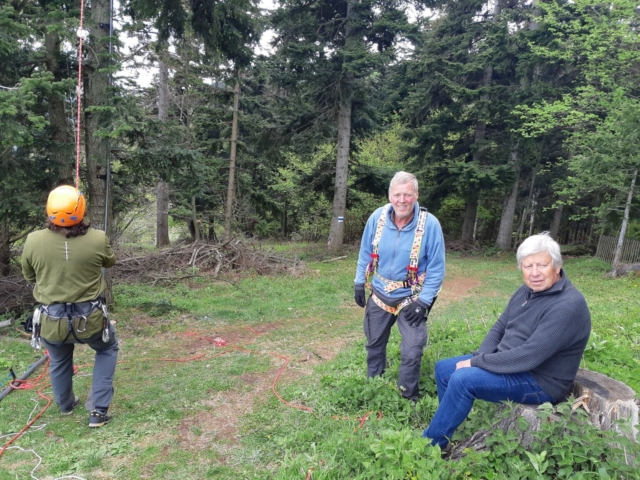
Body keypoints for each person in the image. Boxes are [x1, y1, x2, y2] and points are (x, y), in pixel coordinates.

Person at [423, 232, 591, 450]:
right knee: (444, 369)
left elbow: (530, 355)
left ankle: (430, 446)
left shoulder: (567, 305)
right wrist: (481, 356)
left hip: (540, 380)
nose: (535, 273)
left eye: (542, 265)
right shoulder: (527, 291)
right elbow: (500, 326)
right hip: (511, 363)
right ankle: (448, 426)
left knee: (462, 379)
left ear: (557, 267)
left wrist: (477, 363)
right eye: (528, 266)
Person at [22, 185, 118, 428]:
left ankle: (65, 404)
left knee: (59, 359)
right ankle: (98, 410)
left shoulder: (33, 240)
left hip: (51, 321)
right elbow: (110, 260)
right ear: (82, 210)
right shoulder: (97, 238)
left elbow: (30, 276)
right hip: (91, 320)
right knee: (107, 349)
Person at [354, 171, 446, 402]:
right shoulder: (377, 218)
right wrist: (358, 282)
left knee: (412, 350)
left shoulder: (430, 225)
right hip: (379, 295)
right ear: (389, 195)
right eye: (397, 194)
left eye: (407, 194)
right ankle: (374, 386)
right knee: (374, 344)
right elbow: (366, 252)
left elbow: (436, 267)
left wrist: (423, 302)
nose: (402, 200)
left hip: (411, 298)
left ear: (416, 196)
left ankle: (408, 398)